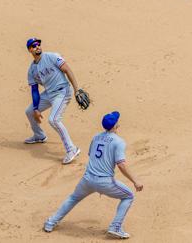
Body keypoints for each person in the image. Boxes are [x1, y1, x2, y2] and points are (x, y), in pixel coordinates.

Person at [43, 111, 144, 239]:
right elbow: (121, 165)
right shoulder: (119, 142)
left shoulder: (96, 137)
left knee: (73, 198)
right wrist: (135, 181)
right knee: (128, 196)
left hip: (87, 179)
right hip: (105, 182)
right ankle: (115, 227)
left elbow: (91, 154)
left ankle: (50, 222)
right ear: (116, 125)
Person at [24, 37, 86, 164]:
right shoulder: (32, 70)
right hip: (49, 93)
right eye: (34, 46)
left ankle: (71, 149)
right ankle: (39, 136)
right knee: (29, 111)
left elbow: (67, 70)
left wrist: (76, 89)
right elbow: (34, 90)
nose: (38, 47)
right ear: (30, 50)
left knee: (54, 119)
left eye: (39, 44)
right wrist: (36, 109)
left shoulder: (52, 56)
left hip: (62, 91)